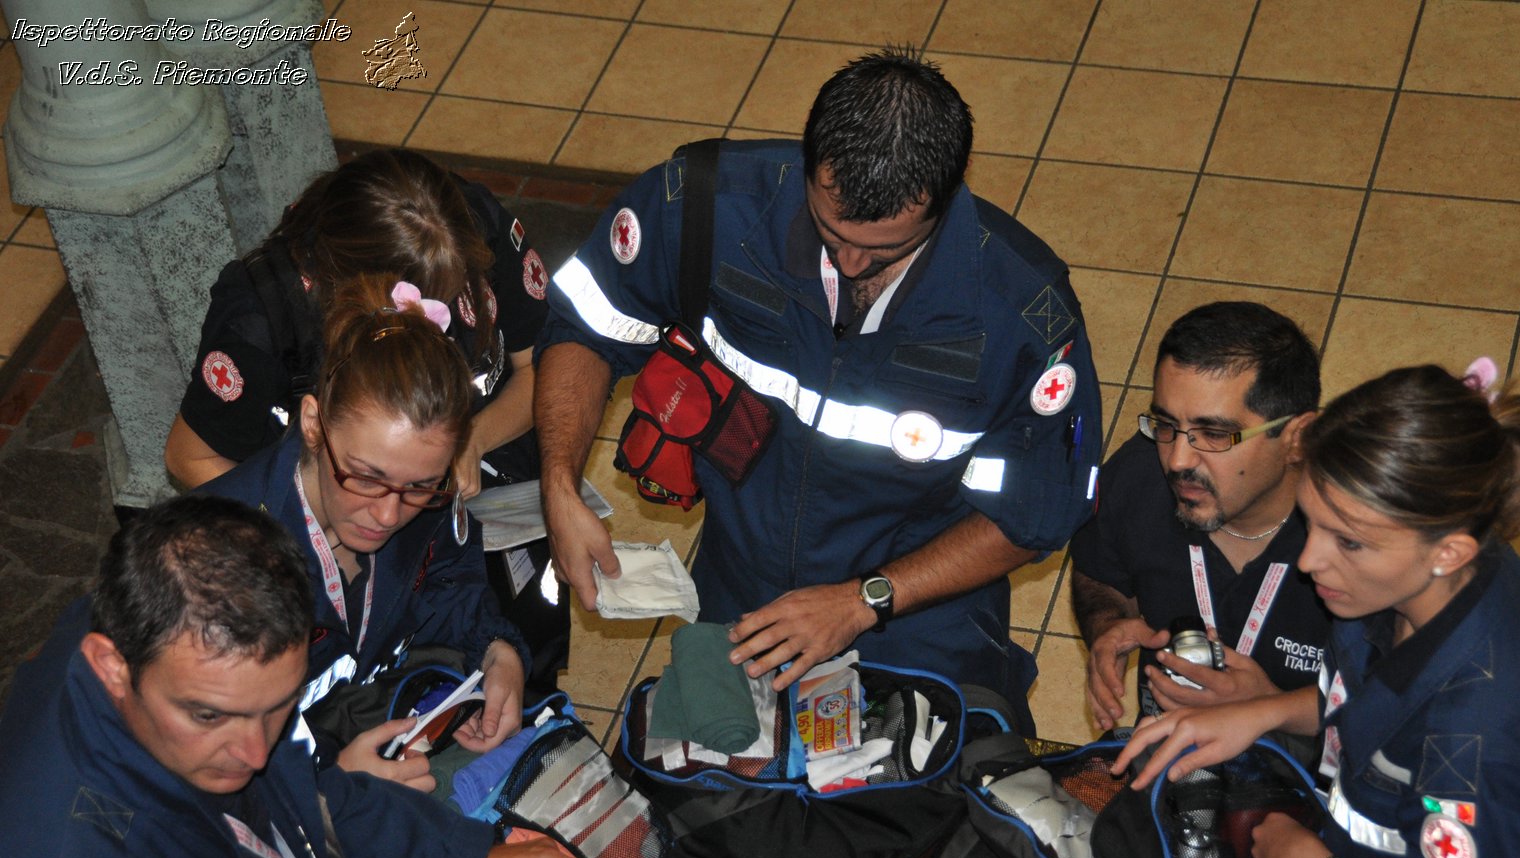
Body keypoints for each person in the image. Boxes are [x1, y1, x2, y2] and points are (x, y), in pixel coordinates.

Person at [536, 48, 1100, 726]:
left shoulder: (1020, 316)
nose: (853, 261)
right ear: (808, 165)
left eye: (886, 251)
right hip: (739, 597)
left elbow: (1032, 513)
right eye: (832, 233)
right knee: (709, 798)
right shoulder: (708, 208)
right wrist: (559, 483)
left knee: (929, 811)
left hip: (920, 617)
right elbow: (588, 320)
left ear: (946, 200)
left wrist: (863, 600)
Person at [0, 495, 598, 858]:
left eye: (280, 707)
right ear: (111, 667)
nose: (255, 752)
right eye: (209, 716)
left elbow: (303, 798)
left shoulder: (166, 639)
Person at [1113, 364, 1520, 858]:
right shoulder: (1421, 586)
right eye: (1313, 522)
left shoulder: (1484, 746)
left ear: (1448, 548)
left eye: (1349, 540)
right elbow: (1374, 704)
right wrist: (1265, 710)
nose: (1311, 560)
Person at [164, 147, 568, 690]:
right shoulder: (263, 311)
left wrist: (468, 444)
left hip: (466, 507)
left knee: (514, 635)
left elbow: (543, 366)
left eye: (449, 302)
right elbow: (189, 455)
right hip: (326, 532)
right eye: (423, 304)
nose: (438, 327)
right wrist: (309, 533)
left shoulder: (463, 222)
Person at [203, 274, 529, 789]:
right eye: (366, 478)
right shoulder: (215, 573)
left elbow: (448, 579)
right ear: (312, 423)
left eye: (421, 486)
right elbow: (195, 774)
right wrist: (334, 800)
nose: (387, 515)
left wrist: (495, 650)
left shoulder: (420, 496)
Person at [1070, 302, 1328, 762]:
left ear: (1296, 438)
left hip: (1316, 770)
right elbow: (1099, 573)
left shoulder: (1364, 530)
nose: (1177, 460)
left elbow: (1414, 705)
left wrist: (1275, 708)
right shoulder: (1136, 477)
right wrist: (1107, 625)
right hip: (1173, 753)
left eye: (1214, 434)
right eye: (1167, 425)